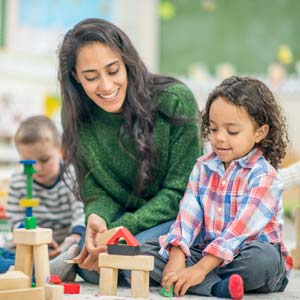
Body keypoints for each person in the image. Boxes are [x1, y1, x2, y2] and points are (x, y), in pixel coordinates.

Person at [57, 18, 201, 283]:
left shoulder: (175, 101)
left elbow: (181, 192)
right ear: (76, 78)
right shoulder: (76, 116)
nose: (106, 86)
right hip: (127, 220)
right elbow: (97, 190)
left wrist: (120, 230)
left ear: (127, 63)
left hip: (179, 219)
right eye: (91, 77)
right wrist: (97, 219)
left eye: (113, 70)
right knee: (90, 266)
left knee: (128, 256)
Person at [142, 76, 293, 299]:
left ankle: (197, 279)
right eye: (213, 129)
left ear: (259, 133)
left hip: (247, 255)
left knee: (264, 260)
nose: (219, 138)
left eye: (232, 132)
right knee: (147, 252)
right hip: (206, 253)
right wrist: (176, 257)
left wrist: (200, 269)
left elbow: (237, 233)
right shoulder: (203, 167)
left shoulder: (265, 177)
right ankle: (217, 288)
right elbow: (187, 217)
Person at [1, 115, 85, 278]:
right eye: (28, 163)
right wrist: (31, 236)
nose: (37, 168)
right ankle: (37, 271)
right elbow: (14, 219)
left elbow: (80, 212)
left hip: (62, 244)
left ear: (61, 152)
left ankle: (49, 269)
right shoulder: (18, 181)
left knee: (80, 245)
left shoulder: (71, 176)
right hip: (27, 244)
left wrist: (73, 237)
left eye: (44, 160)